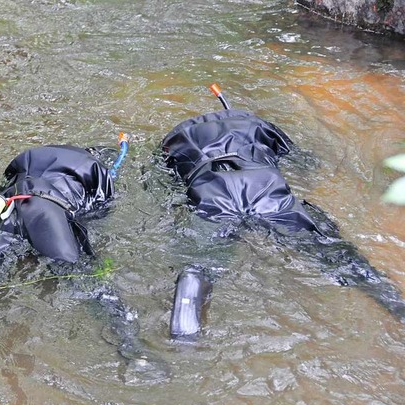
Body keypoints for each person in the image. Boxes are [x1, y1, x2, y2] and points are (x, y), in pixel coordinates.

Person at [0, 137, 158, 388]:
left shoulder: (36, 153)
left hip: (7, 210)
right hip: (48, 218)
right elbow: (96, 216)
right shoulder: (97, 170)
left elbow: (6, 179)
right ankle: (131, 345)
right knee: (89, 282)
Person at [161, 85, 404, 341]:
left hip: (213, 193)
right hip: (265, 189)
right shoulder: (259, 124)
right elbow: (305, 164)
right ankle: (394, 304)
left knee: (199, 264)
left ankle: (184, 336)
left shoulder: (173, 142)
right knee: (330, 249)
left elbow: (165, 183)